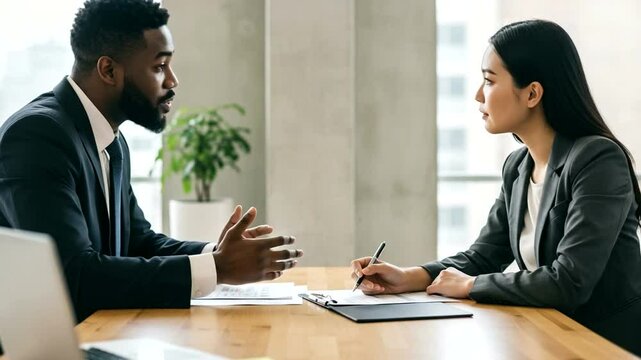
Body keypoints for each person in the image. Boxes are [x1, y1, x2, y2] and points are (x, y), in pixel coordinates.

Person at [0, 0, 303, 323]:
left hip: (99, 336)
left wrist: (217, 253)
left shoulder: (110, 140)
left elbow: (137, 242)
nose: (172, 81)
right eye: (159, 67)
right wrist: (217, 268)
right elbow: (74, 276)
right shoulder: (37, 136)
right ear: (108, 70)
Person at [351, 20, 641, 355]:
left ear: (532, 93)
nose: (477, 94)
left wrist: (470, 286)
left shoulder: (598, 159)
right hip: (547, 337)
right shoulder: (518, 166)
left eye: (489, 80)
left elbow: (569, 282)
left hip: (602, 346)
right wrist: (408, 276)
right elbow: (484, 255)